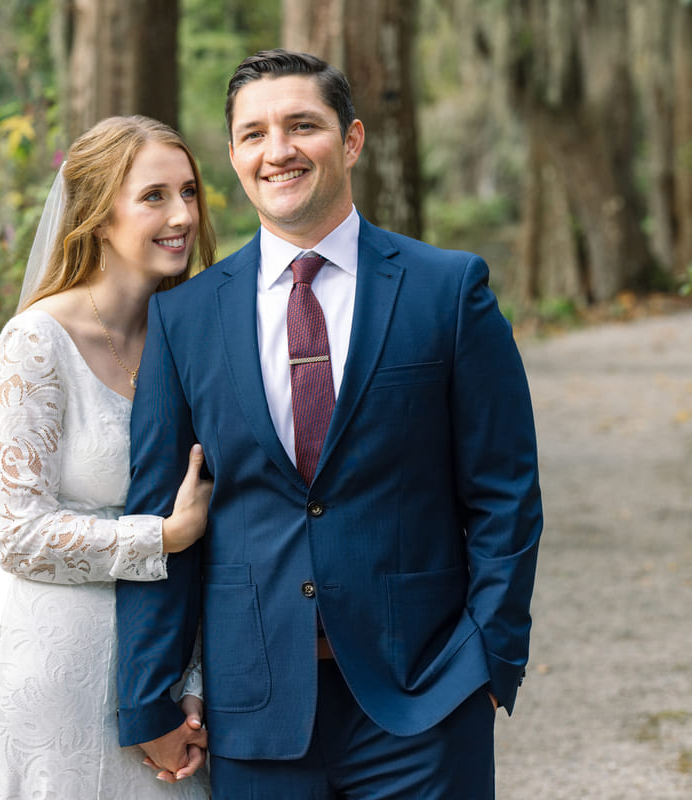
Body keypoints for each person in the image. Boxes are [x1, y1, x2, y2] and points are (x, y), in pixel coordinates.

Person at [117, 50, 544, 798]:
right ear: (235, 156)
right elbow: (160, 509)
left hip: (425, 700)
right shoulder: (183, 318)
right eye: (253, 134)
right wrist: (149, 698)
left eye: (301, 126)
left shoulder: (447, 291)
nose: (276, 150)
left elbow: (504, 492)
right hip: (255, 709)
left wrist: (487, 659)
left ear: (350, 141)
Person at [0, 115, 218, 799]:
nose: (181, 214)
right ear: (99, 216)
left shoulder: (193, 341)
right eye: (153, 196)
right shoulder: (36, 344)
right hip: (44, 670)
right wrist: (162, 535)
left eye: (188, 193)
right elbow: (16, 533)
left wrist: (189, 682)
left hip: (154, 667)